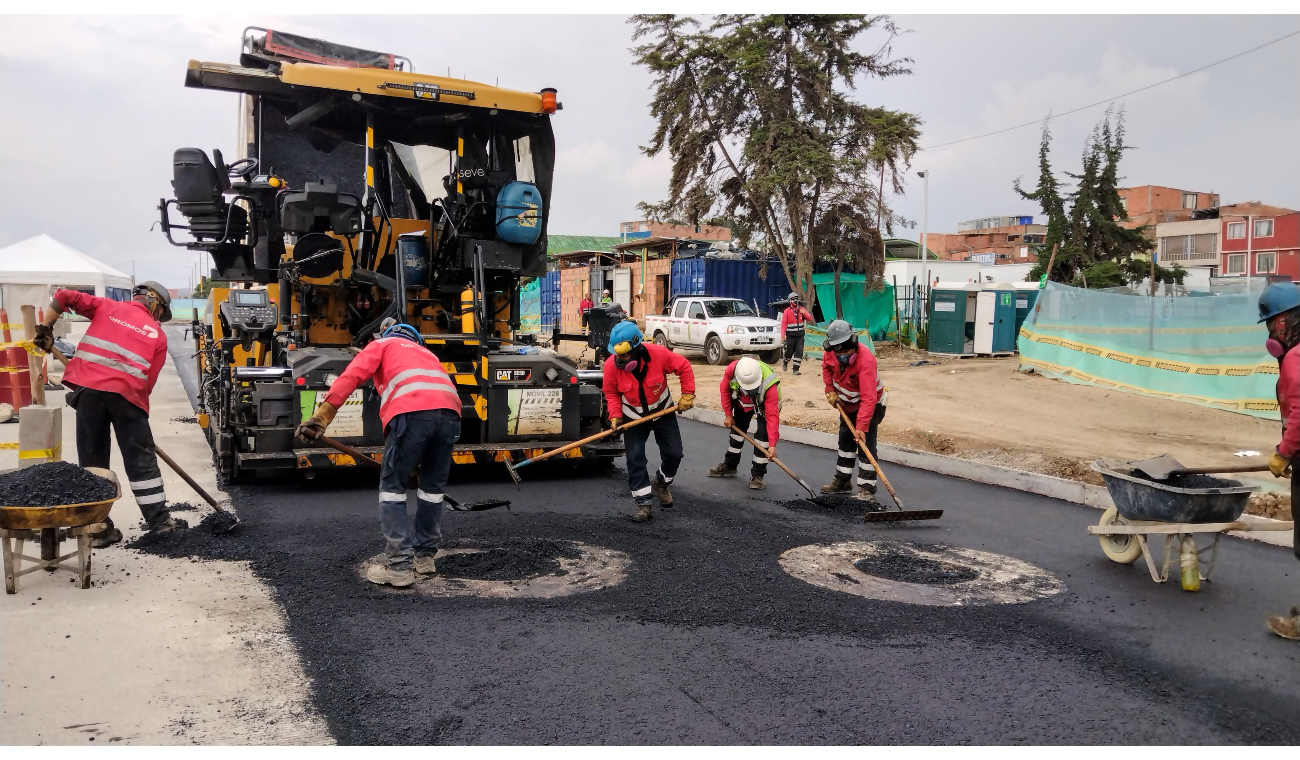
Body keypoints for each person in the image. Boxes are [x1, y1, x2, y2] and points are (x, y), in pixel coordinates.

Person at [296, 322, 461, 588]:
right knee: (432, 489)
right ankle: (425, 559)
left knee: (392, 489)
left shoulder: (382, 345)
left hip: (411, 414)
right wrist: (411, 461)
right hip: (451, 416)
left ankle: (398, 568)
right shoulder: (428, 355)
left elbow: (351, 376)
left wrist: (322, 415)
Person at [33, 281, 184, 546]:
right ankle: (161, 524)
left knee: (93, 461)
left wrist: (45, 329)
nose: (159, 317)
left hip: (89, 393)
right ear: (154, 303)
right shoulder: (157, 335)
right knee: (141, 461)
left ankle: (96, 528)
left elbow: (64, 297)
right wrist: (134, 419)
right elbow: (147, 383)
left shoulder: (107, 307)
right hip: (128, 398)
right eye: (161, 312)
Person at [603, 321, 695, 522]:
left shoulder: (658, 354)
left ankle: (662, 482)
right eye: (617, 354)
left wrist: (688, 394)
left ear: (637, 347)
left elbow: (684, 366)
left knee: (674, 454)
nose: (620, 359)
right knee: (635, 459)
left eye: (624, 355)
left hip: (662, 411)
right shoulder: (611, 366)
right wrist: (616, 415)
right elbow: (611, 393)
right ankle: (644, 504)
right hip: (633, 418)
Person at [1258, 283, 1300, 639]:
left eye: (1272, 324)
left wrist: (1283, 452)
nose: (1272, 333)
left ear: (1285, 321)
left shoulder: (1296, 358)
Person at [820, 319, 883, 501]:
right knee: (845, 443)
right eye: (838, 351)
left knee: (865, 445)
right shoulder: (830, 354)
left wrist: (862, 426)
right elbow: (826, 369)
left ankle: (867, 489)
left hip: (870, 406)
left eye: (846, 351)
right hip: (846, 405)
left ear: (853, 345)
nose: (842, 355)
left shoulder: (866, 361)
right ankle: (842, 482)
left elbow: (869, 398)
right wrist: (830, 390)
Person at [707, 356, 781, 489]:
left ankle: (758, 475)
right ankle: (730, 466)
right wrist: (728, 415)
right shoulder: (732, 370)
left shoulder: (770, 386)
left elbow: (772, 417)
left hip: (765, 404)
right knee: (737, 431)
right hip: (743, 401)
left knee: (763, 438)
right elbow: (725, 390)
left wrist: (772, 446)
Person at [780, 292, 816, 374]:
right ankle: (785, 362)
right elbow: (783, 324)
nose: (795, 300)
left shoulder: (802, 309)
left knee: (799, 351)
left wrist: (804, 313)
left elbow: (809, 318)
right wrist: (782, 336)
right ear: (790, 301)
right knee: (789, 351)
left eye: (796, 299)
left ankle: (795, 369)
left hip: (800, 335)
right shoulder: (786, 312)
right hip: (790, 336)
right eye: (793, 299)